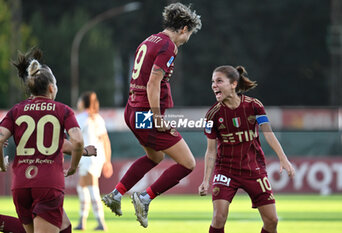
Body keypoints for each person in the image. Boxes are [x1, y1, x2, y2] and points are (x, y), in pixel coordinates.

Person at [102, 2, 202, 228]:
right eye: (189, 34)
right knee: (188, 163)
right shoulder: (168, 46)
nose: (187, 40)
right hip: (146, 114)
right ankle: (144, 197)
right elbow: (153, 82)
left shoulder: (149, 40)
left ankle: (116, 194)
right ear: (184, 28)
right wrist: (157, 117)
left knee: (155, 157)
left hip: (132, 109)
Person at [0, 48, 84, 233]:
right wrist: (73, 166)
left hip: (20, 184)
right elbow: (78, 142)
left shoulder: (17, 110)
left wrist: (2, 165)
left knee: (64, 228)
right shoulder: (62, 110)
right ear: (51, 88)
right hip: (48, 183)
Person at [198, 65, 296, 233]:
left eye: (219, 81)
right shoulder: (212, 115)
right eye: (213, 82)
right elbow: (211, 150)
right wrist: (206, 180)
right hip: (225, 170)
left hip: (253, 168)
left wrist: (283, 158)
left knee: (272, 221)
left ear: (233, 84)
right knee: (218, 217)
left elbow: (268, 133)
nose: (214, 85)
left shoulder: (254, 106)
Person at [0, 128, 97, 233]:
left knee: (56, 226)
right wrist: (84, 151)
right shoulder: (57, 113)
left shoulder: (19, 112)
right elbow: (63, 145)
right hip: (44, 180)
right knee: (61, 226)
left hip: (21, 180)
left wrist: (1, 160)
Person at [74, 91, 113, 231]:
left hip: (88, 157)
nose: (78, 103)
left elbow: (74, 139)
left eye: (79, 101)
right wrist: (107, 161)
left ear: (83, 103)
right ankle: (81, 221)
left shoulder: (80, 118)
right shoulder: (98, 118)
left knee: (92, 189)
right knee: (82, 187)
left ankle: (101, 223)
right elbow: (106, 141)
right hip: (97, 158)